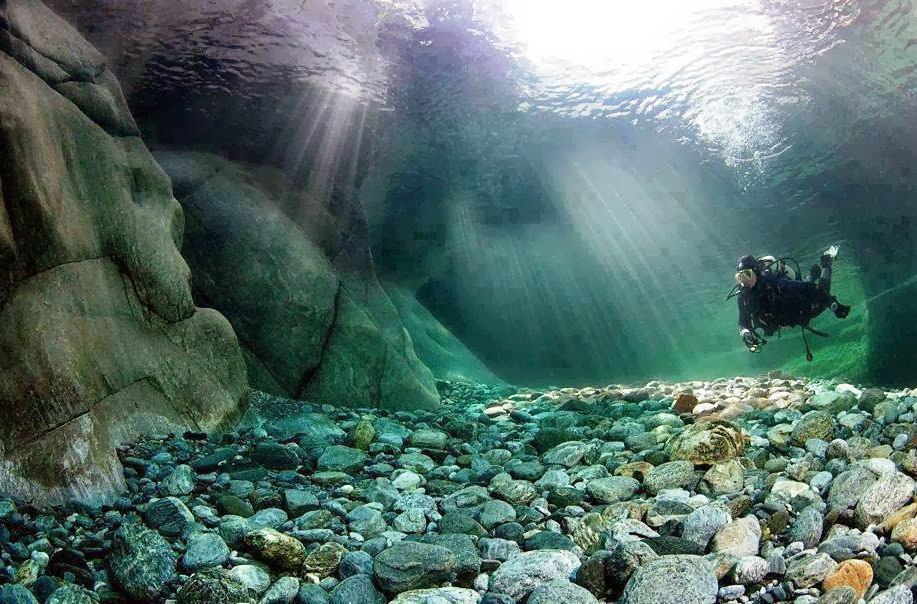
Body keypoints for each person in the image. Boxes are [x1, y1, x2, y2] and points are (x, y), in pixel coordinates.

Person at [734, 245, 851, 358]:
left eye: (747, 275)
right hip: (792, 315)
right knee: (802, 287)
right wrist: (745, 334)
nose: (744, 281)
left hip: (804, 308)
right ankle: (811, 275)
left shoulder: (777, 285)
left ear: (756, 272)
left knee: (822, 293)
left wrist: (834, 305)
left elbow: (812, 289)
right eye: (739, 277)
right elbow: (743, 323)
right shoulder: (744, 298)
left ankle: (826, 261)